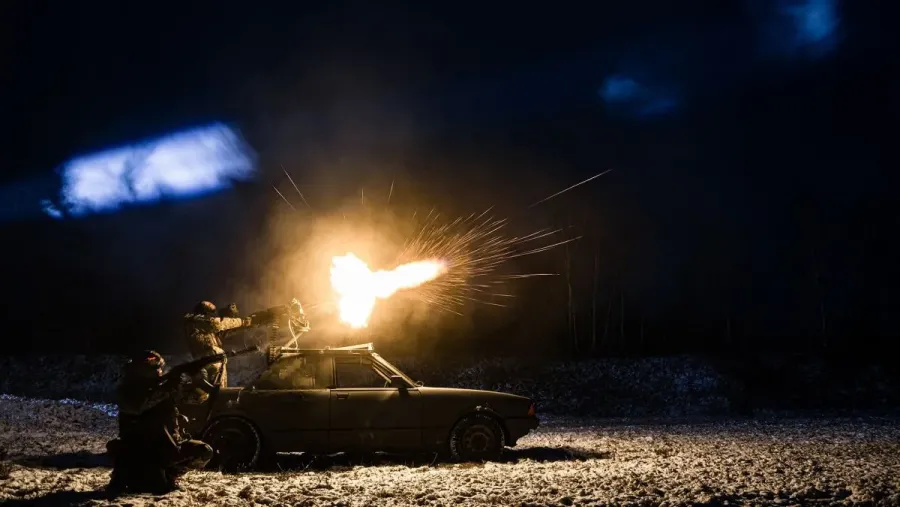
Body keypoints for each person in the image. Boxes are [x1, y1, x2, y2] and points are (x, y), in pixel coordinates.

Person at [106, 351, 214, 494]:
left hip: (168, 446)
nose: (159, 372)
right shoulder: (127, 389)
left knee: (203, 451)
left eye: (160, 368)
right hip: (139, 449)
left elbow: (197, 399)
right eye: (154, 369)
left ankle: (171, 475)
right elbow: (137, 407)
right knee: (149, 487)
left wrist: (197, 380)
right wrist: (166, 388)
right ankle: (128, 477)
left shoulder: (165, 387)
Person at [183, 301, 275, 390]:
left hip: (212, 361)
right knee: (215, 394)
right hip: (209, 361)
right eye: (208, 305)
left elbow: (224, 332)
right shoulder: (195, 321)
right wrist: (243, 321)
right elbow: (216, 324)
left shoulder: (202, 328)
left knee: (217, 392)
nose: (211, 305)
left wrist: (250, 322)